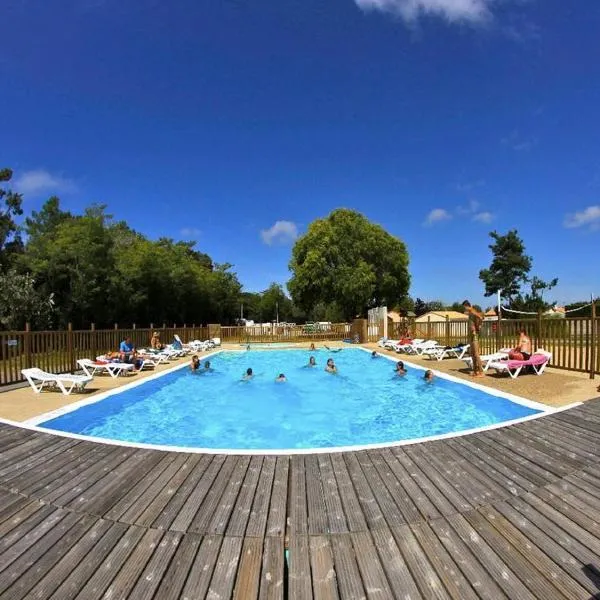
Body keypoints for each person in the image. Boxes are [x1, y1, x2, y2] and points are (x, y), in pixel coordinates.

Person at [462, 300, 484, 377]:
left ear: (466, 306)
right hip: (471, 335)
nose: (465, 309)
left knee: (476, 354)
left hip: (475, 335)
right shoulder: (470, 313)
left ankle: (481, 372)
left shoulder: (472, 311)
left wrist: (478, 327)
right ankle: (475, 371)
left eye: (464, 308)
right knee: (473, 354)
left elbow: (481, 317)